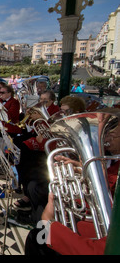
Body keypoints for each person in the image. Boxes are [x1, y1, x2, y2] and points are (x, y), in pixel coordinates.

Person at [25, 109, 120, 255]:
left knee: (37, 235)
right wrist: (86, 172)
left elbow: (100, 250)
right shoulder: (111, 159)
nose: (106, 137)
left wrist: (49, 224)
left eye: (112, 134)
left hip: (95, 230)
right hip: (91, 220)